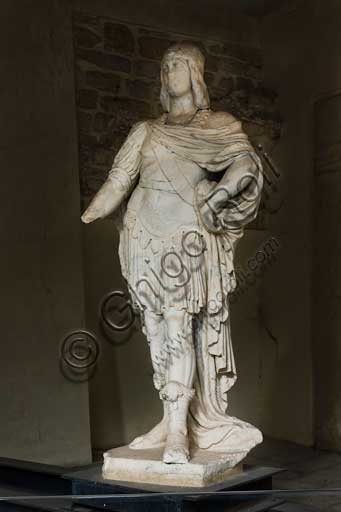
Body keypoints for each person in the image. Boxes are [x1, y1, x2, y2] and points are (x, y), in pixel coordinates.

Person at [82, 43, 263, 465]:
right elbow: (119, 179)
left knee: (179, 329)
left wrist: (217, 195)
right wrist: (90, 212)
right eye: (164, 67)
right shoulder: (144, 130)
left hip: (186, 241)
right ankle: (169, 418)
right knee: (157, 335)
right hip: (144, 238)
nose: (168, 72)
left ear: (196, 73)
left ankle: (179, 431)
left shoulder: (218, 125)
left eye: (177, 65)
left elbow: (247, 165)